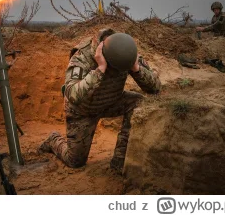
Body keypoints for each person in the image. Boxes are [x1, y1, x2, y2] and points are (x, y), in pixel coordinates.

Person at [38, 29, 161, 173]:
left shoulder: (125, 52)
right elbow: (72, 95)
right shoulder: (82, 57)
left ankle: (119, 159)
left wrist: (136, 68)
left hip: (111, 102)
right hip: (83, 110)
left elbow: (155, 88)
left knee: (137, 101)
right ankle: (53, 140)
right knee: (75, 161)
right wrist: (100, 69)